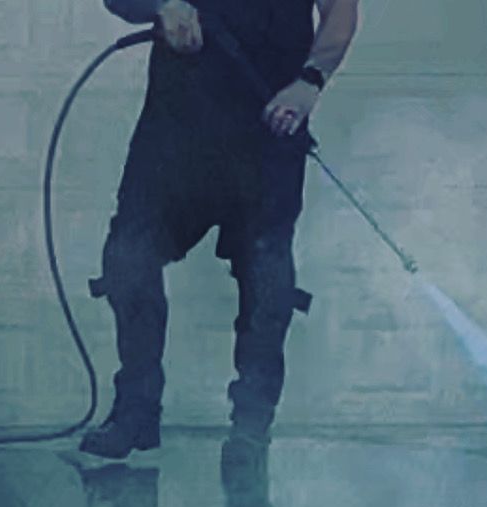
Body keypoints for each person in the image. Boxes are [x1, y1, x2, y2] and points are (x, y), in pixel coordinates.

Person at [82, 0, 360, 471]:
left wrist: (310, 83)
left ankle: (252, 429)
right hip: (176, 129)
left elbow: (341, 12)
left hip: (268, 125)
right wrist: (162, 6)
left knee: (267, 282)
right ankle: (135, 411)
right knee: (128, 257)